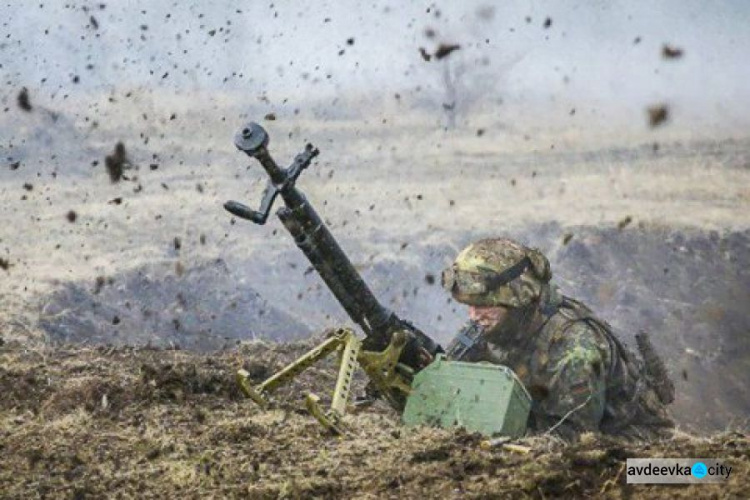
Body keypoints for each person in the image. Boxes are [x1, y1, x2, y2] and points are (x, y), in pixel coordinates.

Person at [441, 237, 674, 441]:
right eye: (469, 305)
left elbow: (572, 441)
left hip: (628, 445)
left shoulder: (575, 350)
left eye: (484, 305)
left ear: (518, 299)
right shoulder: (494, 324)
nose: (473, 316)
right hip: (539, 425)